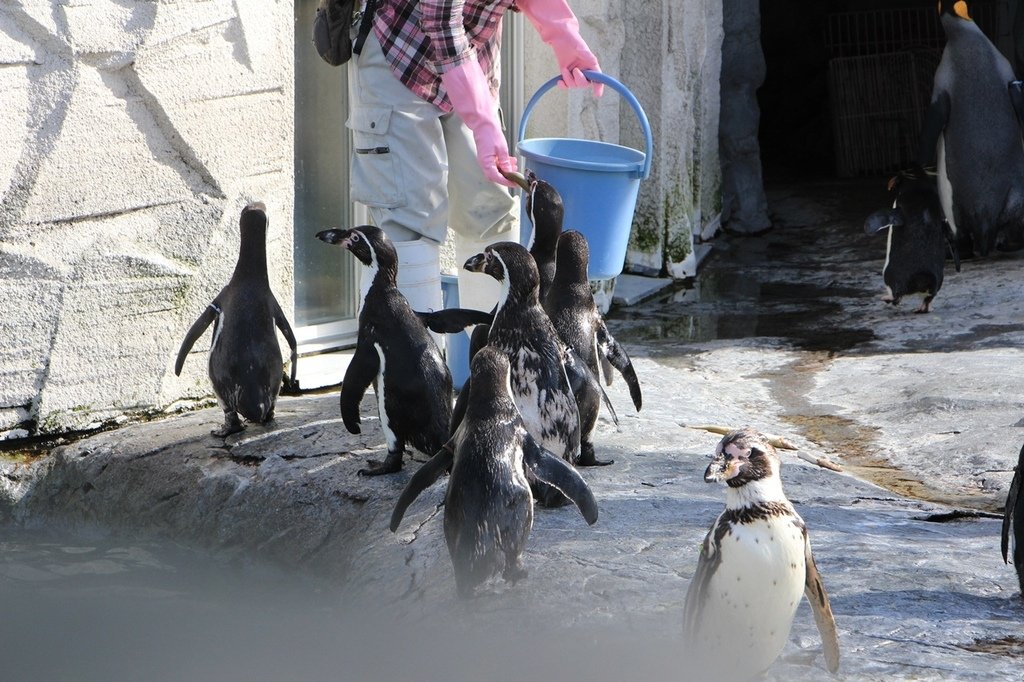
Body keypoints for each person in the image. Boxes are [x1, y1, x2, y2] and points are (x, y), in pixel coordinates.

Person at [346, 0, 603, 315]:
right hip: (400, 49)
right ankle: (417, 360)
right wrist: (482, 123)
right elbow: (441, 20)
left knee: (489, 211)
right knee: (409, 221)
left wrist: (566, 39)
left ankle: (494, 353)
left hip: (473, 54)